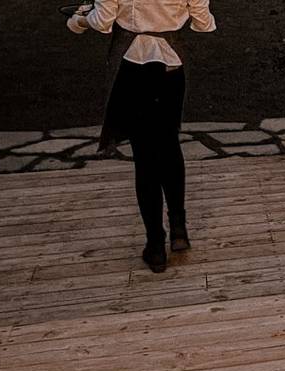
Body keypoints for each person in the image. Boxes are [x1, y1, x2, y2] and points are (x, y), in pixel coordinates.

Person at [67, 1, 216, 273]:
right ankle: (179, 227)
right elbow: (203, 23)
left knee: (145, 158)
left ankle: (156, 246)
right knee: (169, 146)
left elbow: (102, 21)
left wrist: (78, 20)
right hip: (172, 67)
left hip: (132, 69)